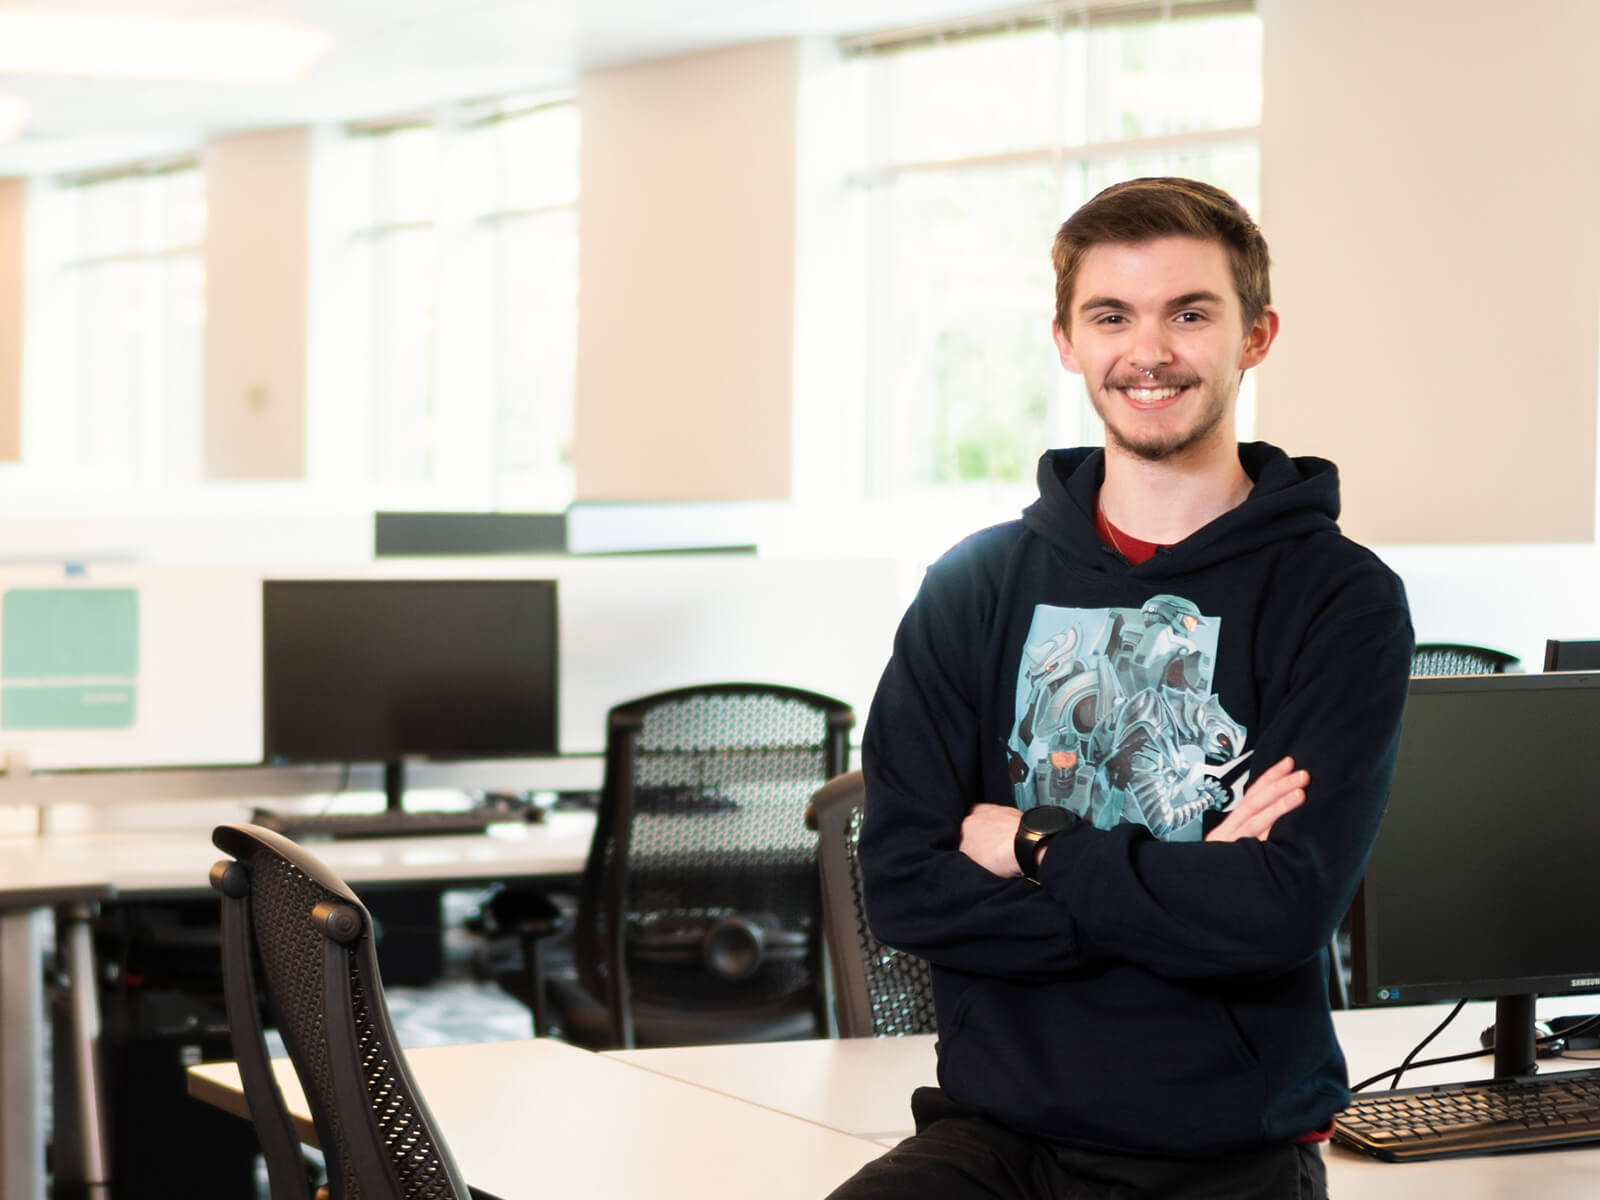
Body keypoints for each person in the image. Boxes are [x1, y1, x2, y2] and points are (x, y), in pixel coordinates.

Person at [830, 177, 1414, 1199]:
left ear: (1256, 335)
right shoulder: (974, 583)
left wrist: (1031, 847)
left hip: (1222, 1154)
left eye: (1189, 313)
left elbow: (1276, 914)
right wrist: (1186, 884)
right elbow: (906, 886)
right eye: (1112, 316)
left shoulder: (1339, 597)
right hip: (992, 1133)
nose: (1148, 352)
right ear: (1065, 340)